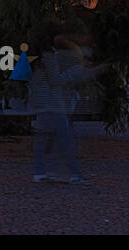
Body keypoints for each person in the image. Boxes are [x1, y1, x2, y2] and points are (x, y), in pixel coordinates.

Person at [29, 23, 87, 184]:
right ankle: (74, 173)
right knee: (65, 137)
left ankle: (40, 171)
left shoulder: (36, 55)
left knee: (42, 138)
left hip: (40, 100)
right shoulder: (48, 55)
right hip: (52, 101)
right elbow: (55, 80)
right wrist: (72, 74)